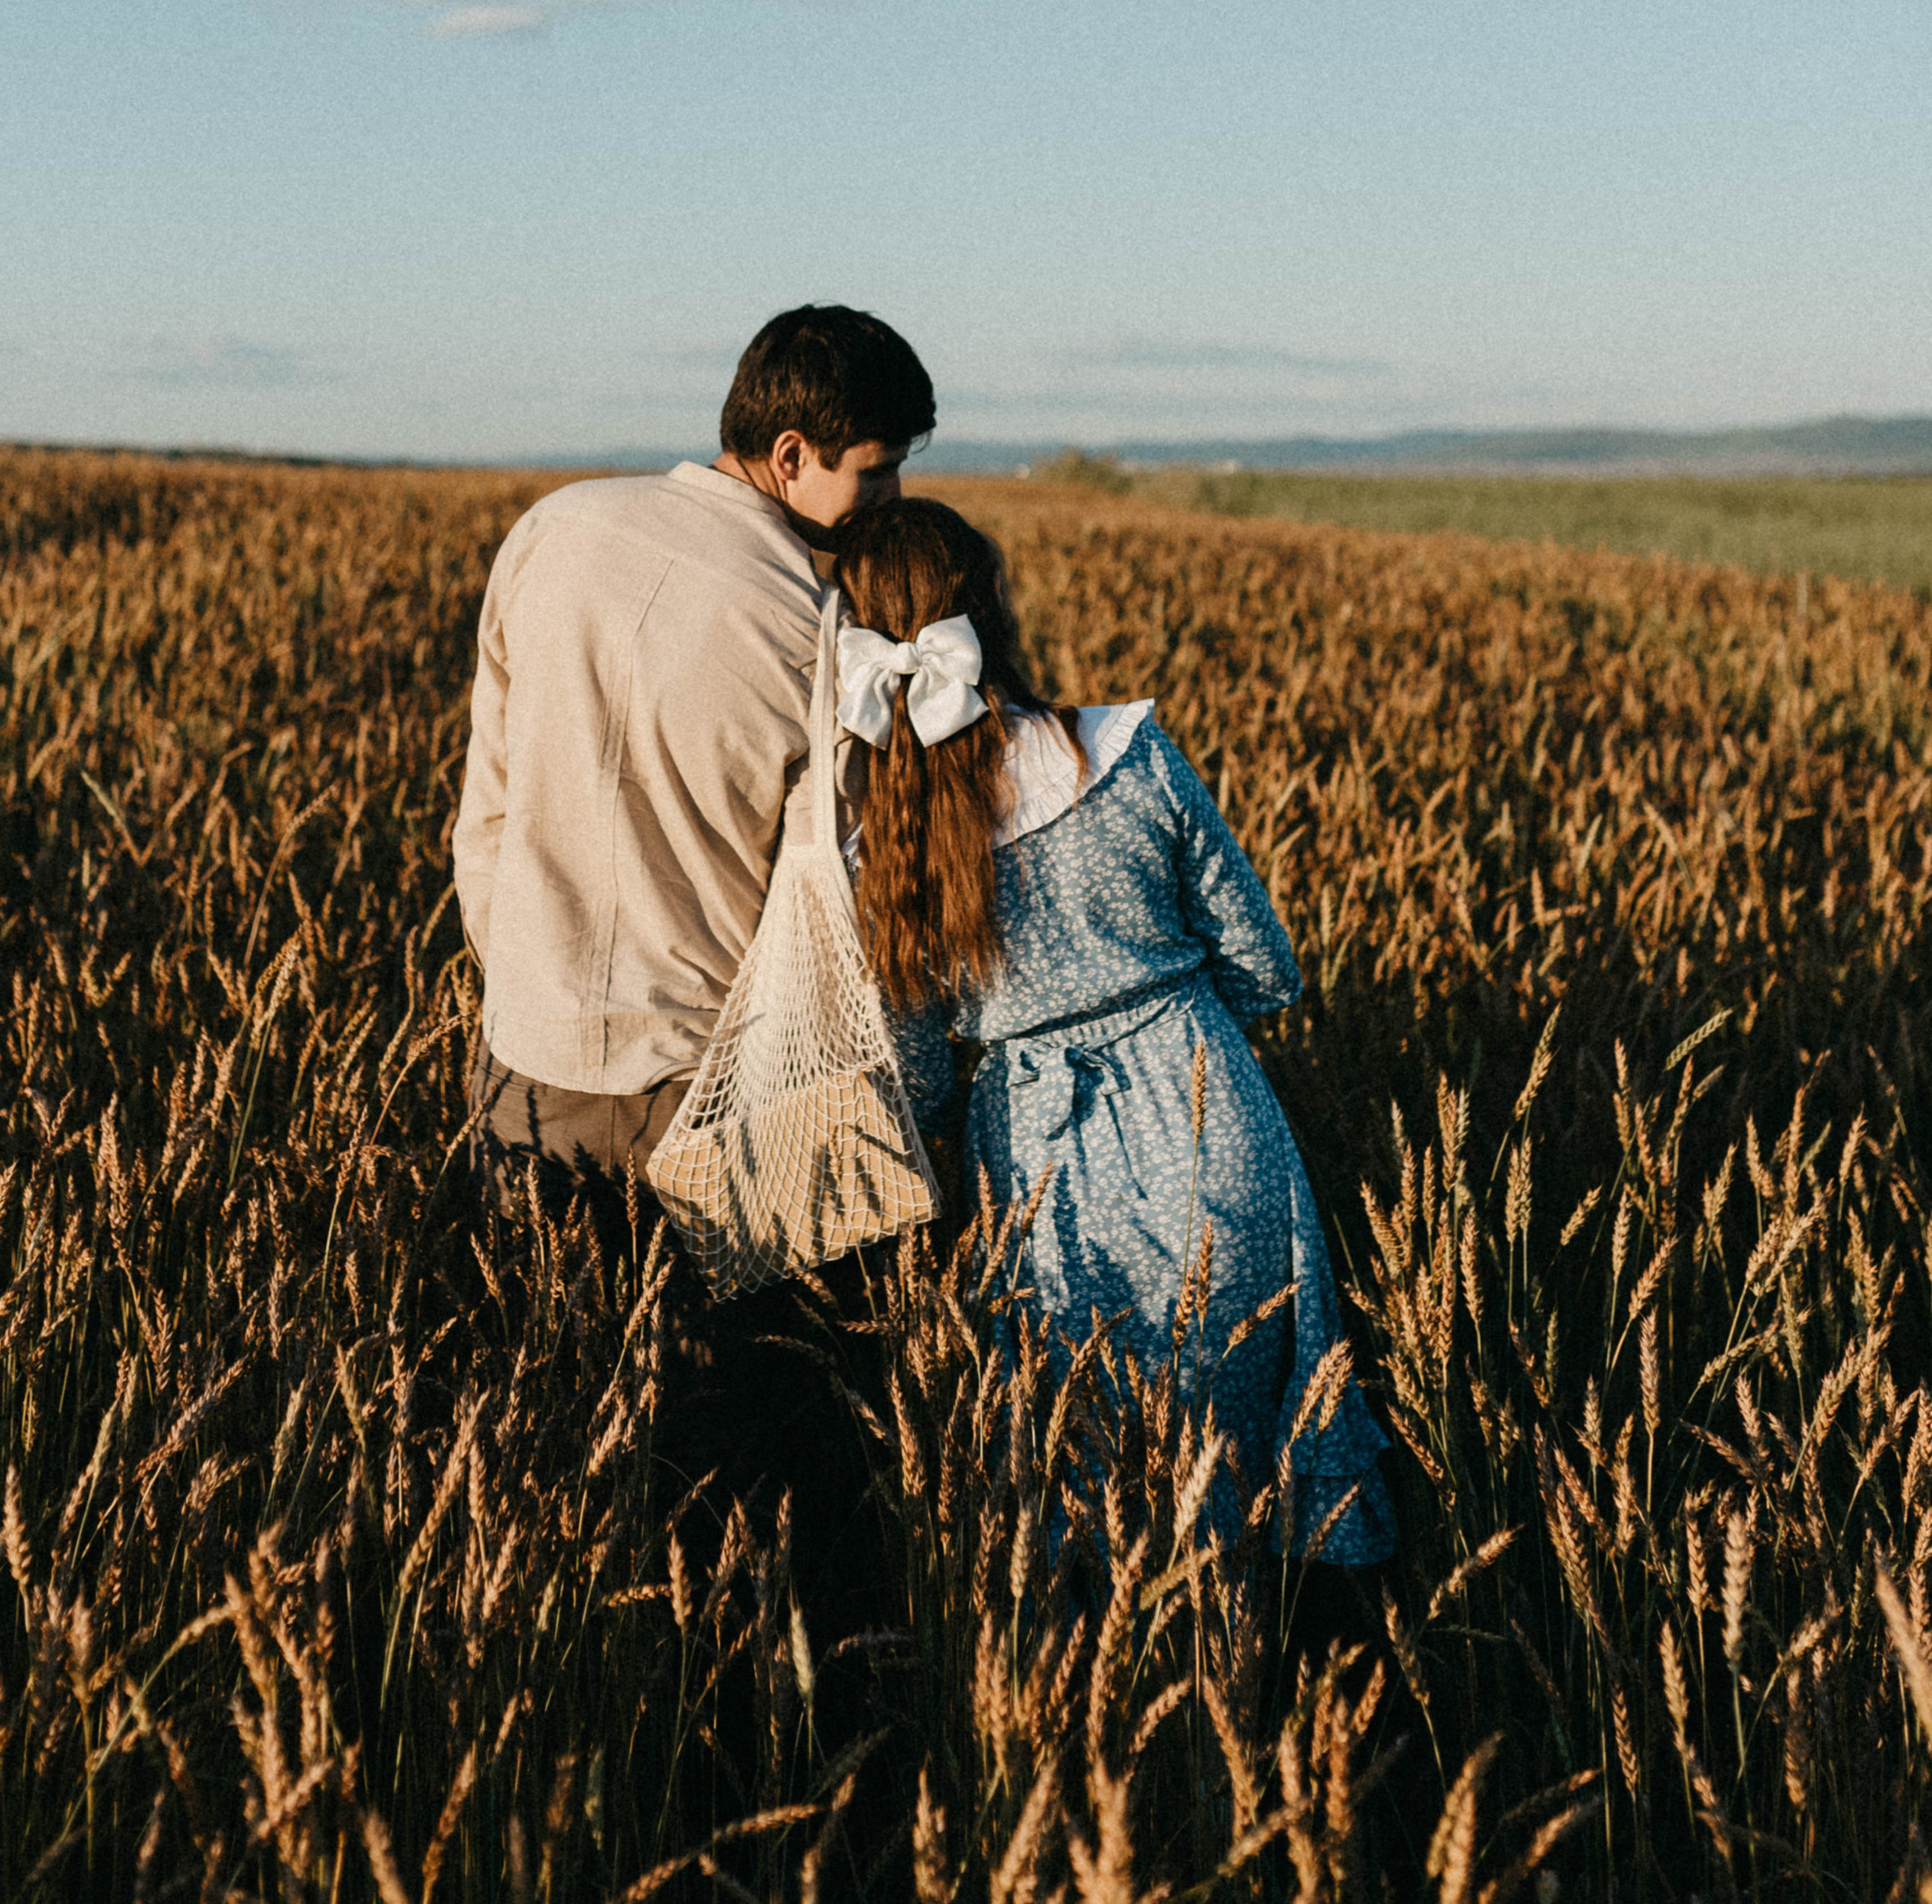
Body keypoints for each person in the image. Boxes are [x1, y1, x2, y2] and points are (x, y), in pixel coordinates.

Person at [829, 496, 1394, 1565]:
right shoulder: (1127, 754)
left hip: (1034, 1164)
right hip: (1203, 1103)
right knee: (1244, 1427)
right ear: (990, 614)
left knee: (1088, 1454)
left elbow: (916, 1073)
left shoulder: (882, 843)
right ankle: (1281, 1664)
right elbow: (1266, 967)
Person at [452, 303, 937, 1193]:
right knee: (709, 1338)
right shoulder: (816, 630)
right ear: (791, 455)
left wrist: (518, 969)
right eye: (877, 471)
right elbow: (826, 896)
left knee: (536, 1329)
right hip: (702, 1085)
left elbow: (489, 792)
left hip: (522, 1053)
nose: (891, 501)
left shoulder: (552, 528)